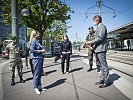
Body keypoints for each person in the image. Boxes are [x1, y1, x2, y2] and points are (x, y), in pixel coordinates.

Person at [87, 15, 110, 88]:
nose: (93, 22)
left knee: (104, 66)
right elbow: (98, 39)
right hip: (98, 49)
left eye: (94, 20)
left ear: (97, 20)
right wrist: (93, 46)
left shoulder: (102, 27)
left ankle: (106, 81)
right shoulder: (98, 28)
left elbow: (100, 38)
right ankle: (102, 79)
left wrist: (91, 41)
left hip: (101, 49)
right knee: (100, 66)